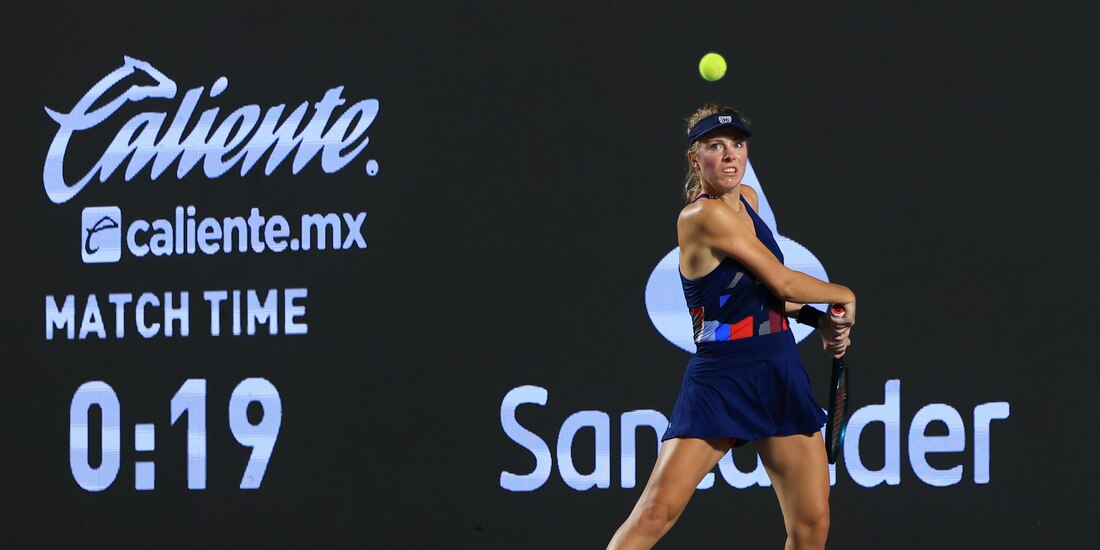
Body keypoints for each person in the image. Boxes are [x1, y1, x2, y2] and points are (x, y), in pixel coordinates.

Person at [607, 104, 856, 550]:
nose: (728, 156)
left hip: (777, 366)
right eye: (715, 146)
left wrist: (816, 319)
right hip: (722, 377)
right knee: (655, 513)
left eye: (737, 146)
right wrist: (843, 295)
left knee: (812, 525)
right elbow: (782, 278)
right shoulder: (699, 217)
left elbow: (771, 294)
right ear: (694, 158)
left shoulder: (749, 204)